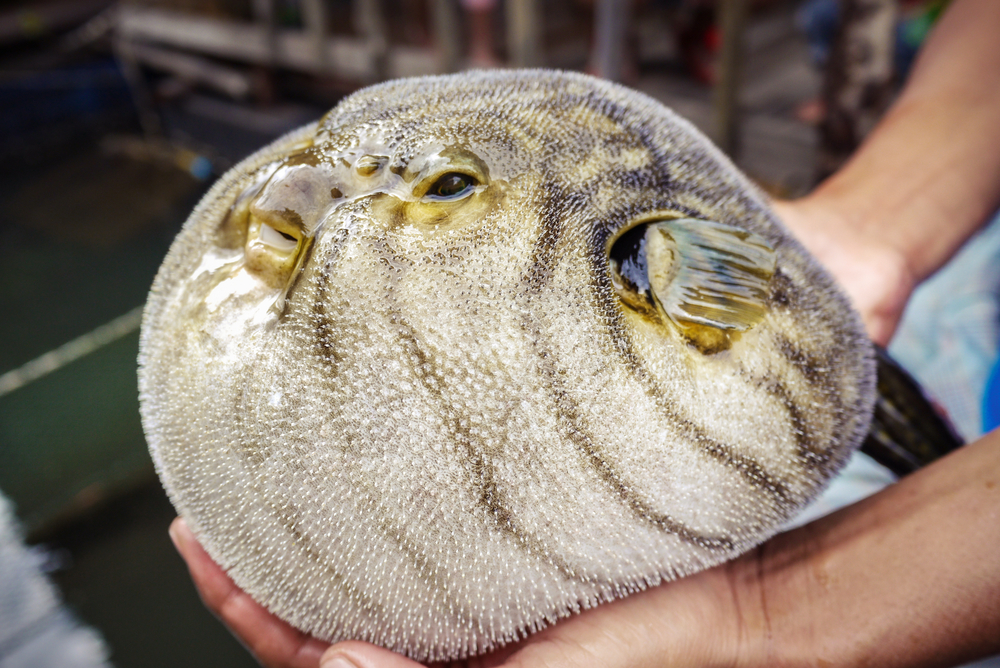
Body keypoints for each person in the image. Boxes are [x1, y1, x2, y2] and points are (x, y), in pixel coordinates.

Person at [169, 0, 1000, 665]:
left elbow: (743, 290)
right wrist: (870, 229)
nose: (285, 210)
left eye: (451, 188)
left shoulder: (646, 267)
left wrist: (778, 615)